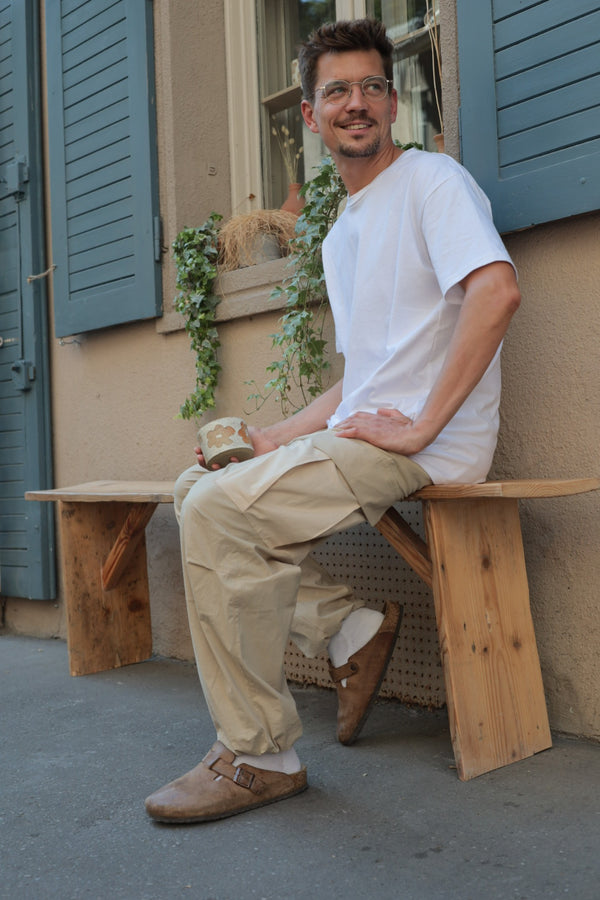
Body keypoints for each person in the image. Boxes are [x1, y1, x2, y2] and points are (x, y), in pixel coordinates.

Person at [145, 18, 520, 824]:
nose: (358, 103)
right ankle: (349, 630)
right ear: (311, 116)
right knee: (193, 488)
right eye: (338, 91)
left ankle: (258, 755)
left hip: (430, 446)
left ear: (393, 103)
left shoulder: (432, 182)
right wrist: (272, 438)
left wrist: (419, 429)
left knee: (219, 513)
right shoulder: (343, 231)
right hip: (368, 433)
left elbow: (496, 294)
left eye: (373, 87)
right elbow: (361, 381)